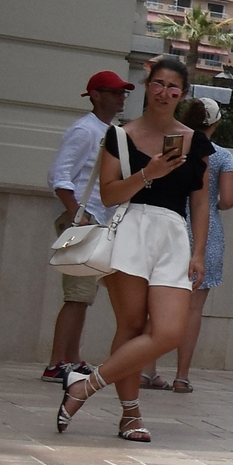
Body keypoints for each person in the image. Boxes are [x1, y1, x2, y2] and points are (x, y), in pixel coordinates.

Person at [56, 57, 210, 443]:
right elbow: (109, 193)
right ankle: (130, 415)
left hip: (174, 235)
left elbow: (202, 202)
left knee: (169, 331)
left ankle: (84, 385)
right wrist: (148, 173)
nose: (164, 92)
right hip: (132, 227)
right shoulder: (120, 136)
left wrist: (199, 252)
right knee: (131, 326)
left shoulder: (196, 140)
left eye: (173, 87)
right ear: (147, 86)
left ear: (183, 93)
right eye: (157, 84)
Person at [44, 70, 132, 380]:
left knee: (83, 295)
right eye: (114, 91)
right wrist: (77, 214)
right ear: (96, 95)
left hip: (95, 221)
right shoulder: (85, 130)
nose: (121, 97)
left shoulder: (111, 131)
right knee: (77, 295)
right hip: (85, 220)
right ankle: (58, 362)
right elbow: (59, 174)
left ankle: (71, 358)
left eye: (124, 92)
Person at [163, 97, 233, 393]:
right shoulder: (223, 156)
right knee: (193, 309)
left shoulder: (173, 144)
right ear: (216, 123)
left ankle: (146, 369)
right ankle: (182, 375)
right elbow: (228, 199)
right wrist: (212, 203)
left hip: (170, 223)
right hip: (207, 231)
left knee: (157, 302)